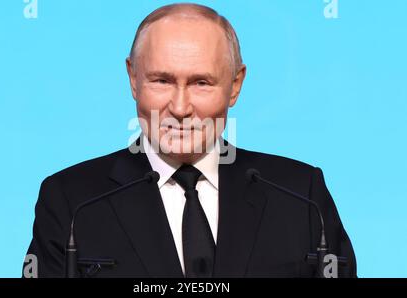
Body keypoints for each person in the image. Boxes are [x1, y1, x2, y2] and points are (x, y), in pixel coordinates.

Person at [23, 3, 356, 278]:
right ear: (133, 79)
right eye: (162, 81)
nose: (180, 108)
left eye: (201, 83)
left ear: (236, 84)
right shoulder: (72, 201)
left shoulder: (301, 195)